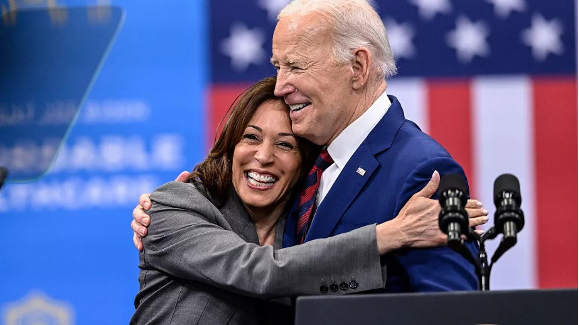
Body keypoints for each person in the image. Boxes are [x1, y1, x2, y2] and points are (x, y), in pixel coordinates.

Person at [134, 0, 489, 293]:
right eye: (278, 66)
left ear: (358, 66)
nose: (280, 86)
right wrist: (177, 208)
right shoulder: (308, 163)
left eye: (296, 66)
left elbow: (451, 311)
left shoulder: (420, 170)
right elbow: (264, 263)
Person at [130, 76, 487, 325]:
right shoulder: (173, 206)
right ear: (230, 146)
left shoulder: (301, 225)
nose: (263, 156)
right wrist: (393, 234)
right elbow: (261, 271)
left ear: (305, 164)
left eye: (285, 145)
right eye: (250, 138)